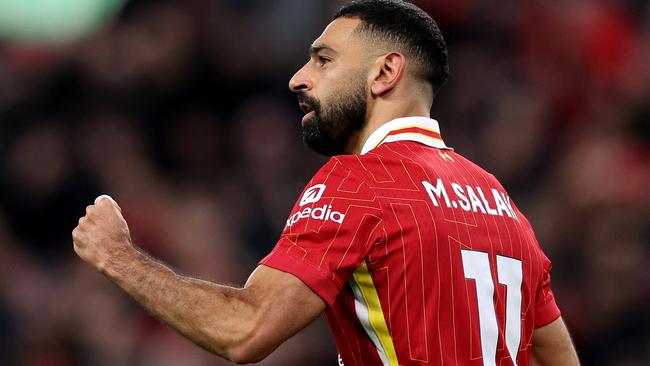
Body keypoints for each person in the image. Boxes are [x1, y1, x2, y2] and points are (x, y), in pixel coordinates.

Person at [72, 0, 580, 365]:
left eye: (324, 60)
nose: (299, 77)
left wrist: (117, 255)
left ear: (385, 73)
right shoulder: (500, 202)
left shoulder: (360, 181)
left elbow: (245, 331)